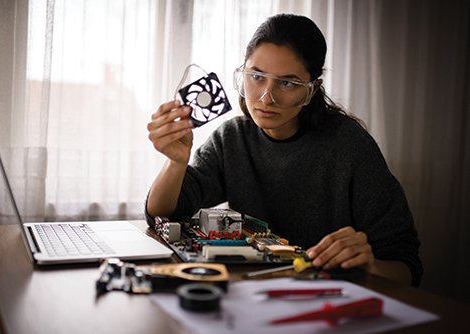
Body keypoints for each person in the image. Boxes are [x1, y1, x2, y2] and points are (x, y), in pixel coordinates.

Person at [145, 14, 422, 287]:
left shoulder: (350, 147)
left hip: (329, 302)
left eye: (288, 83)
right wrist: (175, 162)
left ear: (312, 91)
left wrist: (369, 265)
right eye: (256, 76)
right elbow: (163, 214)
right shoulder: (232, 139)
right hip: (256, 296)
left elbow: (406, 267)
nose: (267, 97)